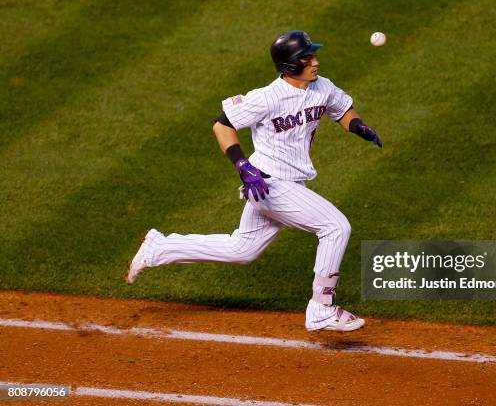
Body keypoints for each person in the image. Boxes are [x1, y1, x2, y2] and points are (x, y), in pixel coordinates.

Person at [126, 30, 382, 332]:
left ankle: (160, 248)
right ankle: (321, 308)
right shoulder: (266, 97)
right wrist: (242, 164)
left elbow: (342, 110)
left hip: (288, 184)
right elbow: (222, 125)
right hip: (268, 183)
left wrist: (358, 125)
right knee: (335, 227)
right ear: (289, 66)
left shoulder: (321, 87)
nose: (315, 61)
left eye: (313, 55)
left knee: (242, 249)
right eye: (307, 58)